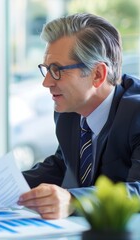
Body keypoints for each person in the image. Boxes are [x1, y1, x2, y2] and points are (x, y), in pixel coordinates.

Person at [18, 13, 140, 219]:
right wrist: (1, 186)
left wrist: (75, 200)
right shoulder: (69, 111)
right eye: (46, 69)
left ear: (98, 74)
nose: (46, 82)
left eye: (57, 70)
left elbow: (137, 191)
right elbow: (62, 164)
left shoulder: (136, 114)